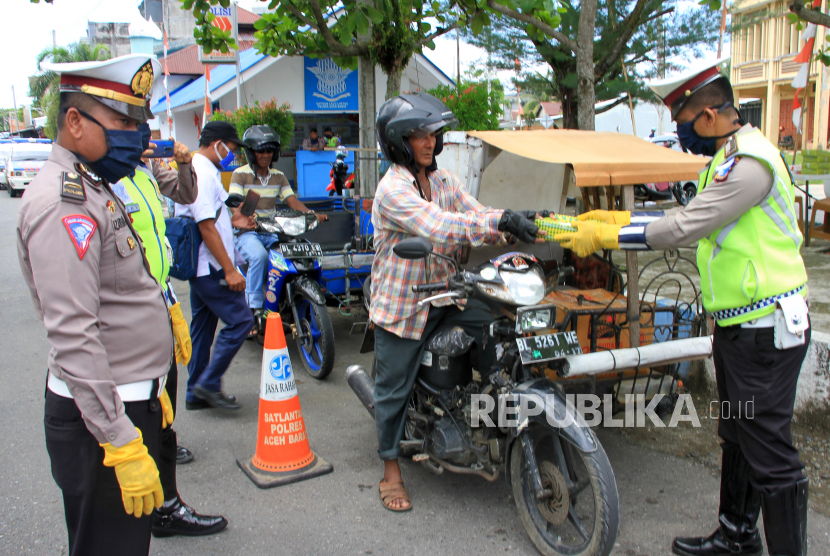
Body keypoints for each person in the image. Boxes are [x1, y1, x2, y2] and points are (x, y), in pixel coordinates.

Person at [554, 58, 811, 556]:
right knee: (738, 433)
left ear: (710, 115)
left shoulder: (750, 163)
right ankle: (737, 536)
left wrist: (612, 231)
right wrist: (620, 218)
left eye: (684, 120)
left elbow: (685, 227)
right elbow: (688, 214)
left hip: (766, 329)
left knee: (771, 454)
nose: (681, 132)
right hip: (739, 327)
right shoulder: (727, 158)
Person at [17, 54, 169, 556]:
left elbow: (117, 293)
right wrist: (120, 440)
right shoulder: (65, 202)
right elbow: (73, 334)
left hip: (123, 404)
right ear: (75, 121)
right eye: (122, 121)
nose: (136, 133)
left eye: (137, 122)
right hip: (102, 424)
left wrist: (152, 376)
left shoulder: (94, 186)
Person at [370, 92, 544, 512]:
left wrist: (510, 223)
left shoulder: (445, 181)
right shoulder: (392, 189)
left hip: (449, 293)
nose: (429, 142)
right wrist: (495, 221)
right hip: (406, 304)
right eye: (418, 135)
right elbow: (440, 226)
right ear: (398, 141)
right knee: (392, 390)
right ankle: (391, 469)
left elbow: (473, 214)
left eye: (433, 134)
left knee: (499, 333)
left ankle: (483, 415)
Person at [112, 130, 227, 538]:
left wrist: (181, 161)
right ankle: (153, 510)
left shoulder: (145, 170)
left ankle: (165, 500)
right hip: (128, 314)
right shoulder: (103, 179)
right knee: (141, 408)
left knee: (162, 404)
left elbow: (185, 194)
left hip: (159, 301)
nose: (142, 138)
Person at [175, 121, 255, 411]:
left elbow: (215, 219)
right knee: (242, 320)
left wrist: (237, 221)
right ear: (218, 143)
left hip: (203, 268)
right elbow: (205, 227)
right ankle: (208, 384)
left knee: (203, 330)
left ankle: (196, 393)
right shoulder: (202, 173)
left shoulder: (205, 170)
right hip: (210, 267)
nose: (231, 155)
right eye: (230, 149)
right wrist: (230, 270)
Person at [230, 125, 327, 328]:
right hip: (248, 232)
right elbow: (236, 206)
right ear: (250, 152)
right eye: (261, 150)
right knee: (260, 257)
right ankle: (253, 310)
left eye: (269, 150)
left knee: (299, 252)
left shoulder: (279, 176)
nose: (266, 155)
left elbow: (292, 201)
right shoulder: (240, 174)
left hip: (273, 231)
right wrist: (249, 217)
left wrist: (312, 215)